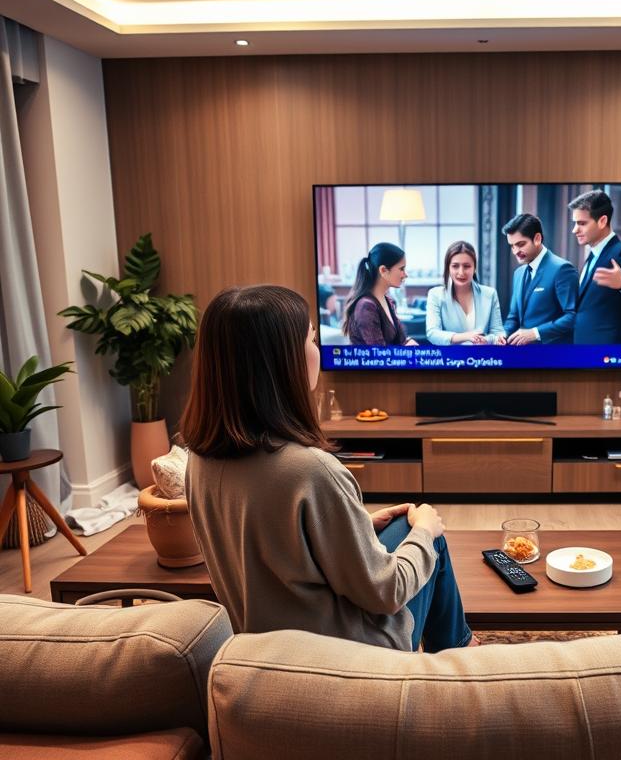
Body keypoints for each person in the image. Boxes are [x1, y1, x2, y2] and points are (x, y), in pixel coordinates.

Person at [182, 285, 476, 652]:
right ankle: (458, 660)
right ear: (281, 361)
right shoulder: (311, 470)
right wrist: (427, 533)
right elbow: (386, 592)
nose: (317, 350)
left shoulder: (197, 459)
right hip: (344, 659)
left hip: (261, 648)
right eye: (312, 338)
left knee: (403, 525)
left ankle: (459, 652)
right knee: (429, 536)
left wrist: (358, 525)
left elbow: (276, 551)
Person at [568, 190, 621, 345]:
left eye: (582, 223)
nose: (574, 230)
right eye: (574, 223)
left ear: (602, 221)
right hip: (585, 351)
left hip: (609, 354)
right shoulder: (593, 255)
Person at [499, 213, 577, 345]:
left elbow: (573, 316)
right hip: (524, 359)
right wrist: (502, 334)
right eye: (512, 246)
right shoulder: (518, 273)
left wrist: (535, 333)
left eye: (520, 244)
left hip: (554, 358)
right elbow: (513, 317)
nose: (515, 251)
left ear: (537, 238)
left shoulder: (562, 270)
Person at [425, 241, 506, 345]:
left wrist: (487, 340)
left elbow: (498, 332)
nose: (461, 272)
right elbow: (432, 333)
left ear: (474, 268)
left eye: (467, 266)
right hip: (451, 359)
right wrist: (467, 336)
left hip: (483, 358)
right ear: (448, 268)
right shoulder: (435, 295)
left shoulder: (490, 294)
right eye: (455, 266)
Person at [342, 242, 418, 346]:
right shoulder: (366, 306)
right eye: (401, 269)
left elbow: (399, 340)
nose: (405, 274)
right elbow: (379, 356)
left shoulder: (387, 301)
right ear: (383, 270)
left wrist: (407, 342)